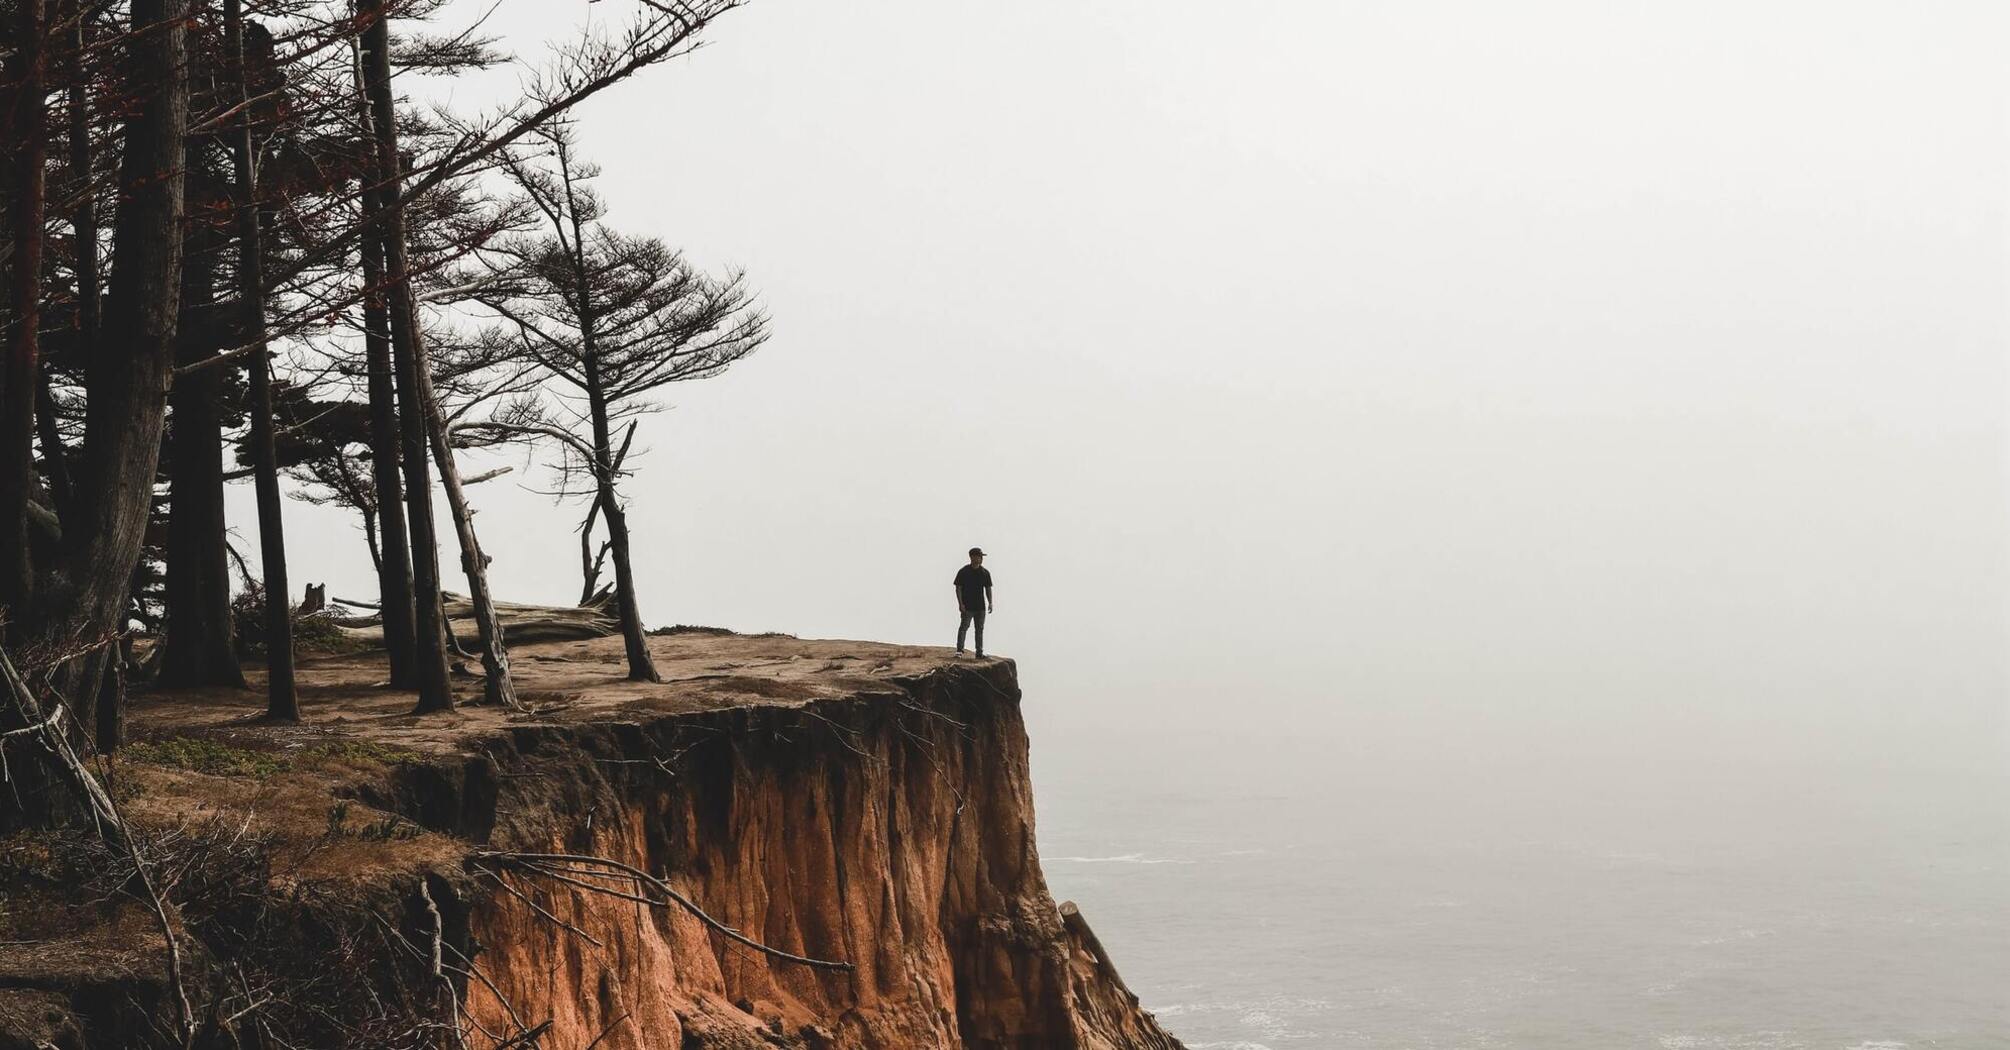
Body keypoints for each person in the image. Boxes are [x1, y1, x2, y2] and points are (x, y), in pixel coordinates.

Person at [954, 547, 994, 657]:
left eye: (981, 557)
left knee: (979, 629)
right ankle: (959, 650)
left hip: (980, 606)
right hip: (967, 606)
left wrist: (990, 602)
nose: (981, 559)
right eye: (979, 556)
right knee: (964, 627)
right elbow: (958, 588)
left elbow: (988, 588)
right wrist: (960, 603)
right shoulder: (964, 571)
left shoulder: (985, 573)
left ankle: (979, 652)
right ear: (972, 557)